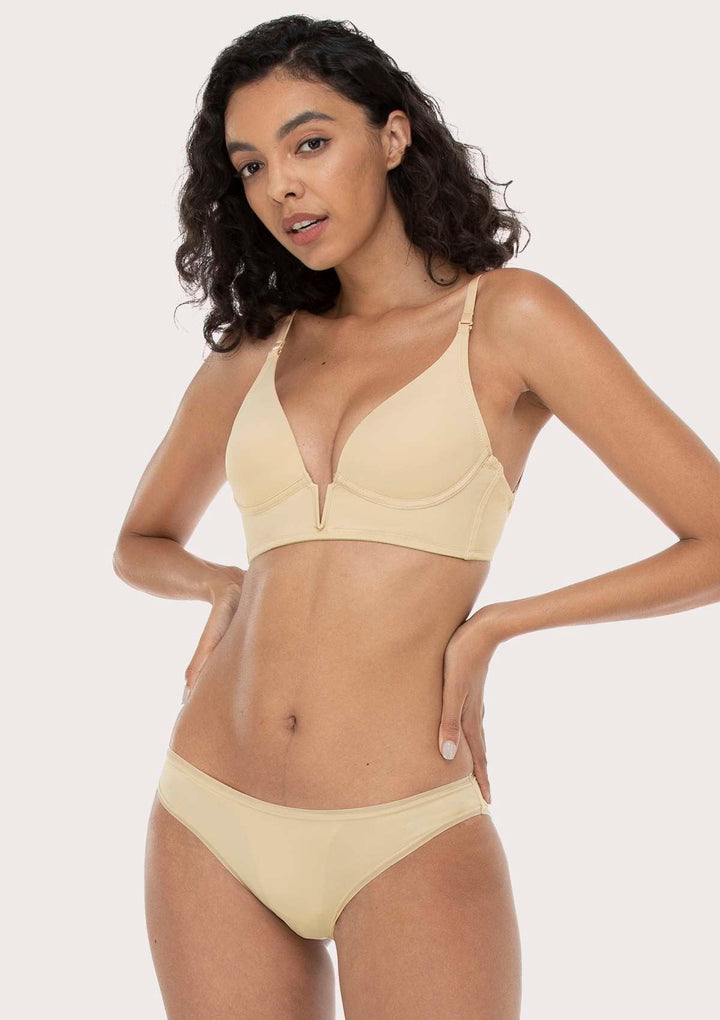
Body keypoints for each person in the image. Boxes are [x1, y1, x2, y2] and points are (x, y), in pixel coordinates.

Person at [112, 15, 720, 1020]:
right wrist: (219, 583)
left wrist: (499, 625)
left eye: (310, 143)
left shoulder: (509, 319)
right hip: (209, 809)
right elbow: (138, 542)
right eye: (252, 165)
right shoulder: (255, 352)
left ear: (393, 136)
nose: (282, 187)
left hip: (405, 824)